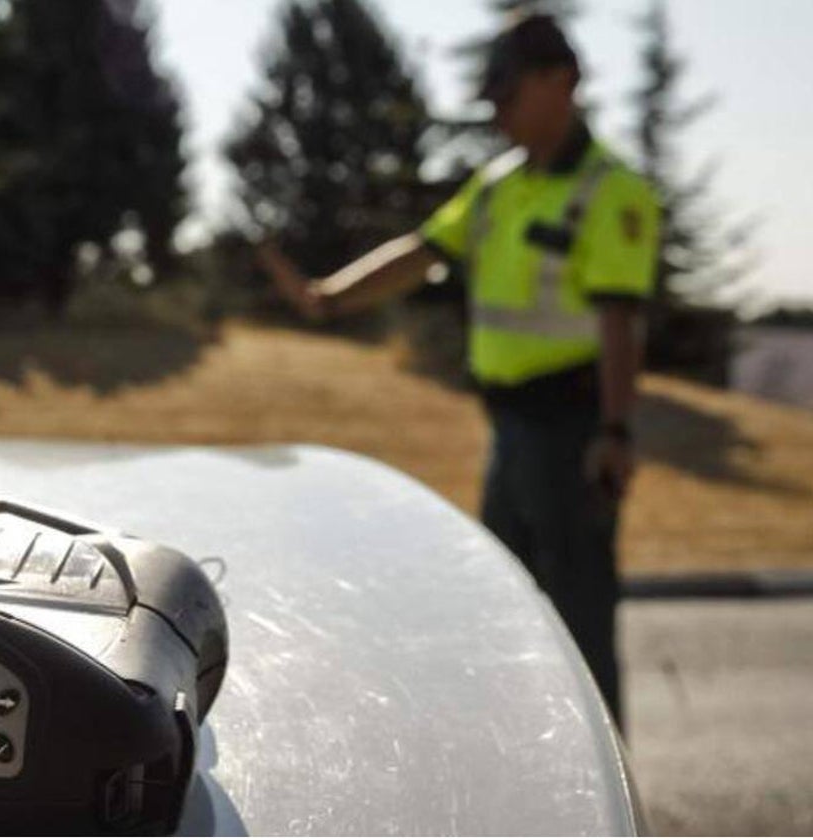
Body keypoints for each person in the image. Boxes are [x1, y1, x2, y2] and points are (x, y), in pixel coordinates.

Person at [257, 13, 660, 726]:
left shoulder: (610, 191)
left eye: (508, 96)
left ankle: (604, 807)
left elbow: (620, 320)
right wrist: (329, 298)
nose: (497, 114)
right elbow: (421, 249)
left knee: (580, 624)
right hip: (509, 429)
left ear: (560, 80)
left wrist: (617, 430)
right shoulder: (499, 186)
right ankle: (528, 766)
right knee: (506, 614)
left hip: (573, 433)